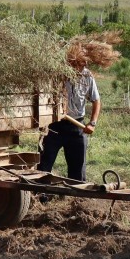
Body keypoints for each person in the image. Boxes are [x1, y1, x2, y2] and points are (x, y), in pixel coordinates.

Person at [38, 45, 101, 182]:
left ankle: (75, 198)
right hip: (54, 126)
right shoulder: (57, 75)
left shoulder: (87, 76)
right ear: (70, 62)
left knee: (77, 170)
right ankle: (40, 196)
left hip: (77, 126)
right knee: (44, 164)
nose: (80, 67)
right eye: (77, 64)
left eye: (83, 63)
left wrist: (92, 123)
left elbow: (96, 101)